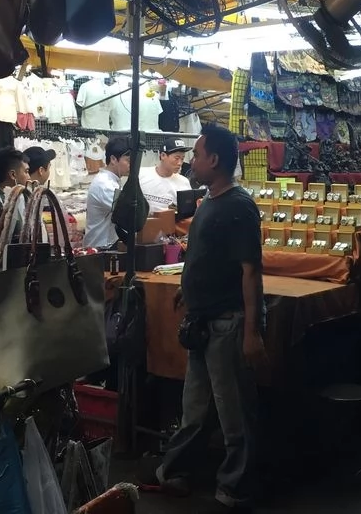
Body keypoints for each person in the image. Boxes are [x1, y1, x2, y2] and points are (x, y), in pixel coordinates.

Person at [142, 125, 264, 512]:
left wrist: (252, 332)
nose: (191, 162)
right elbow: (205, 256)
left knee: (233, 413)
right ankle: (175, 471)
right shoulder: (209, 200)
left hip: (227, 324)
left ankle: (236, 486)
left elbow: (250, 272)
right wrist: (188, 288)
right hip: (201, 320)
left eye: (196, 155)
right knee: (194, 409)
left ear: (214, 160)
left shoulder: (238, 206)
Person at [83, 136, 130, 249]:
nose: (132, 165)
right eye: (128, 160)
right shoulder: (105, 185)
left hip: (106, 244)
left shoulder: (112, 181)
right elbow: (127, 214)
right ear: (113, 159)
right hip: (101, 248)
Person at [139, 138, 192, 213]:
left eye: (182, 159)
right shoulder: (141, 174)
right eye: (176, 158)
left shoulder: (184, 183)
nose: (180, 163)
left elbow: (187, 213)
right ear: (163, 156)